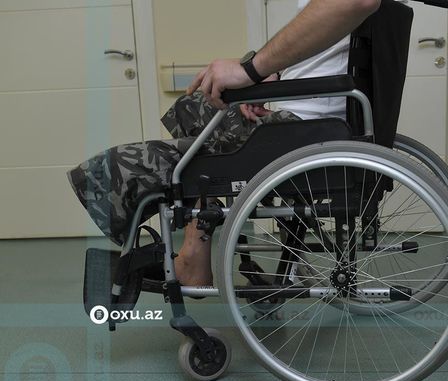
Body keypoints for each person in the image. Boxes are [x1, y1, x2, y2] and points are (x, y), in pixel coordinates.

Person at [68, 0, 381, 287]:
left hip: (305, 131)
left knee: (122, 167)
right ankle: (199, 245)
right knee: (193, 107)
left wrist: (251, 70)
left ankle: (192, 257)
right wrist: (273, 72)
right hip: (312, 121)